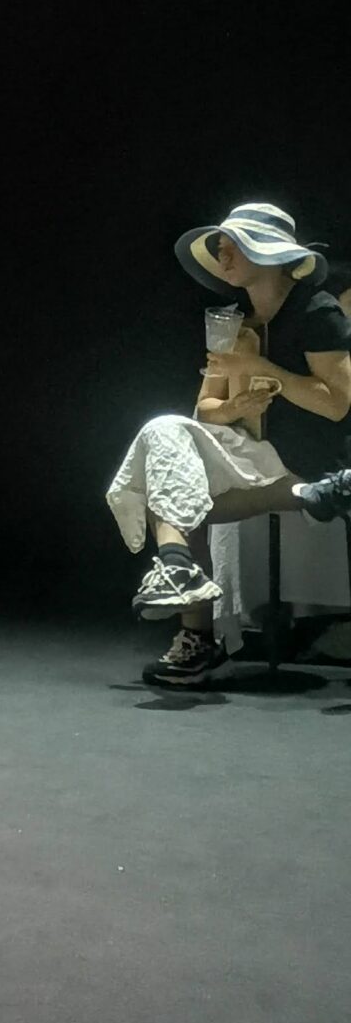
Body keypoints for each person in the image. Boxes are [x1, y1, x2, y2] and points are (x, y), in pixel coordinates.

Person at [107, 202, 351, 688]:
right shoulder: (233, 323)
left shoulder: (316, 312)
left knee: (170, 489)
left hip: (307, 461)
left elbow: (338, 404)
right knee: (162, 430)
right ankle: (178, 567)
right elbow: (205, 411)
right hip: (249, 456)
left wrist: (264, 371)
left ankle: (197, 638)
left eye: (232, 245)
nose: (222, 254)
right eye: (220, 247)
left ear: (268, 252)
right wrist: (238, 403)